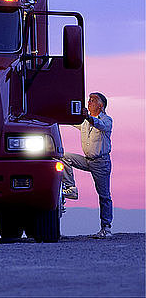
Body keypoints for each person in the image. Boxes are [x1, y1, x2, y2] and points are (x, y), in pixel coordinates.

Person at [62, 92, 113, 238]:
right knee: (64, 157)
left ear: (101, 105)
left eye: (93, 100)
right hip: (87, 160)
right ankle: (71, 189)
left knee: (104, 195)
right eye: (89, 100)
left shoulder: (107, 120)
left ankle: (106, 228)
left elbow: (99, 125)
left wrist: (88, 117)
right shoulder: (84, 122)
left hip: (101, 163)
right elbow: (70, 121)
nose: (89, 102)